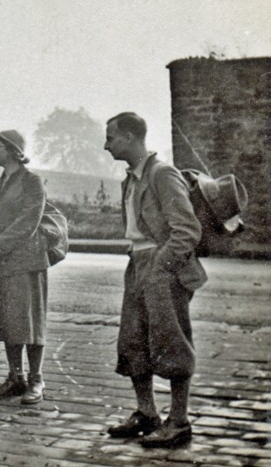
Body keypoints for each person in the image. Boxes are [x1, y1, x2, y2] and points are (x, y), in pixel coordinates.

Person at [104, 112, 204, 449]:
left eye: (111, 138)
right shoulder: (130, 179)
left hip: (162, 266)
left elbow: (187, 230)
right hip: (137, 263)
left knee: (171, 342)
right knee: (132, 341)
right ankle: (147, 414)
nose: (106, 146)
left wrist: (162, 267)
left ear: (130, 137)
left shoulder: (162, 174)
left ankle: (179, 421)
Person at [0, 130, 49, 405]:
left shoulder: (32, 182)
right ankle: (16, 378)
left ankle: (36, 379)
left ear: (12, 150)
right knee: (8, 321)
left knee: (29, 320)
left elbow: (30, 220)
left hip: (25, 262)